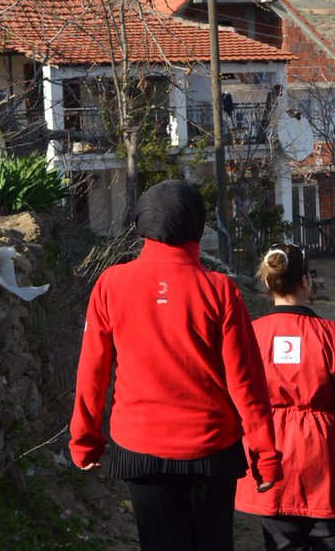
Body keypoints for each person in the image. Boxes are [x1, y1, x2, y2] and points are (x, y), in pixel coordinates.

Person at [69, 179, 282, 551]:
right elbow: (246, 382)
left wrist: (85, 439)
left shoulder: (111, 285)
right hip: (212, 450)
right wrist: (265, 452)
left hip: (140, 446)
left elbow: (93, 371)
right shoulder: (219, 290)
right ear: (197, 226)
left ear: (141, 224)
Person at [236, 243, 335, 550]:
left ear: (267, 283)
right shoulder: (332, 335)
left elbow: (238, 393)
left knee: (281, 540)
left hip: (268, 447)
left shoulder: (251, 334)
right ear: (306, 282)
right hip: (322, 449)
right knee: (331, 537)